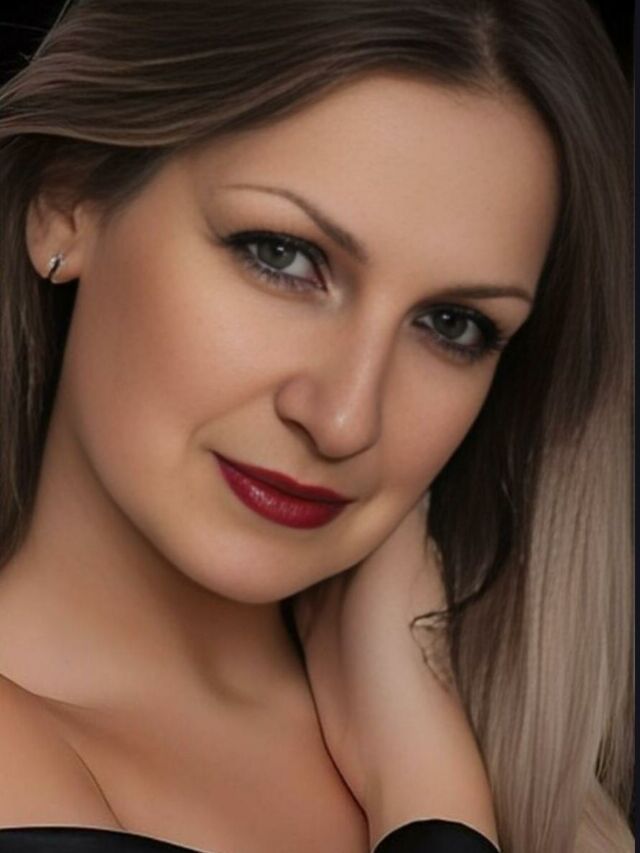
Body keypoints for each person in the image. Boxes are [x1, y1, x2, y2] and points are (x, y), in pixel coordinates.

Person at [0, 0, 632, 851]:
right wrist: (423, 783)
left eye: (451, 325)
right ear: (67, 198)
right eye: (283, 255)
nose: (343, 420)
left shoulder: (554, 793)